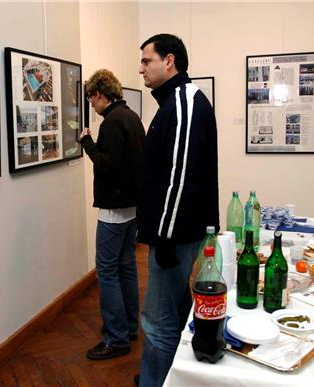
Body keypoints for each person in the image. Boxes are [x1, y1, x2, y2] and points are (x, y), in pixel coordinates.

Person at [135, 34, 219, 387]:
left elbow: (180, 176)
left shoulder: (184, 101)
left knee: (157, 320)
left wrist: (165, 235)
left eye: (146, 60)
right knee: (174, 310)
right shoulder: (173, 101)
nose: (140, 68)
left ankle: (156, 382)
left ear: (169, 60)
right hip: (176, 230)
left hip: (175, 233)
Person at [79, 69, 146, 360]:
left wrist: (87, 143)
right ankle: (130, 328)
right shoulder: (131, 117)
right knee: (126, 265)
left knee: (106, 271)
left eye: (91, 99)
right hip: (132, 207)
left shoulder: (111, 123)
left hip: (114, 210)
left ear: (99, 94)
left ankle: (116, 338)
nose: (91, 105)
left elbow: (108, 166)